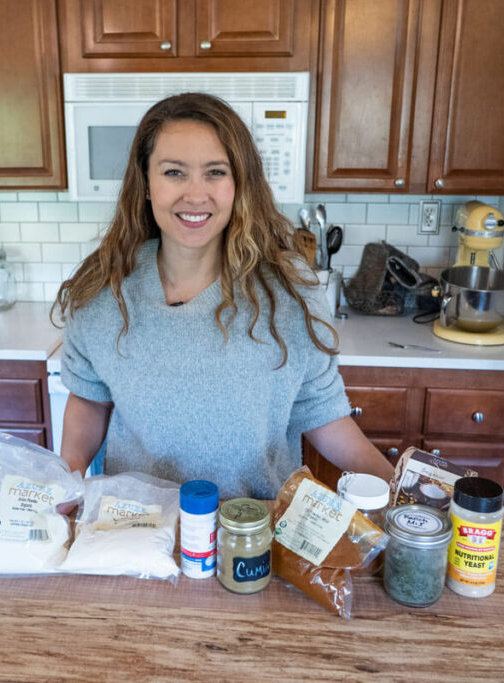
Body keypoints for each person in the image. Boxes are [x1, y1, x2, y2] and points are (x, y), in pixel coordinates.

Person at [52, 92, 393, 499]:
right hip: (136, 533)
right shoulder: (103, 290)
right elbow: (89, 402)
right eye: (174, 172)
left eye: (215, 172)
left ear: (239, 185)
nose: (195, 195)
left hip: (254, 534)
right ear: (145, 184)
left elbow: (321, 411)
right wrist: (64, 487)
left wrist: (400, 491)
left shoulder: (288, 292)